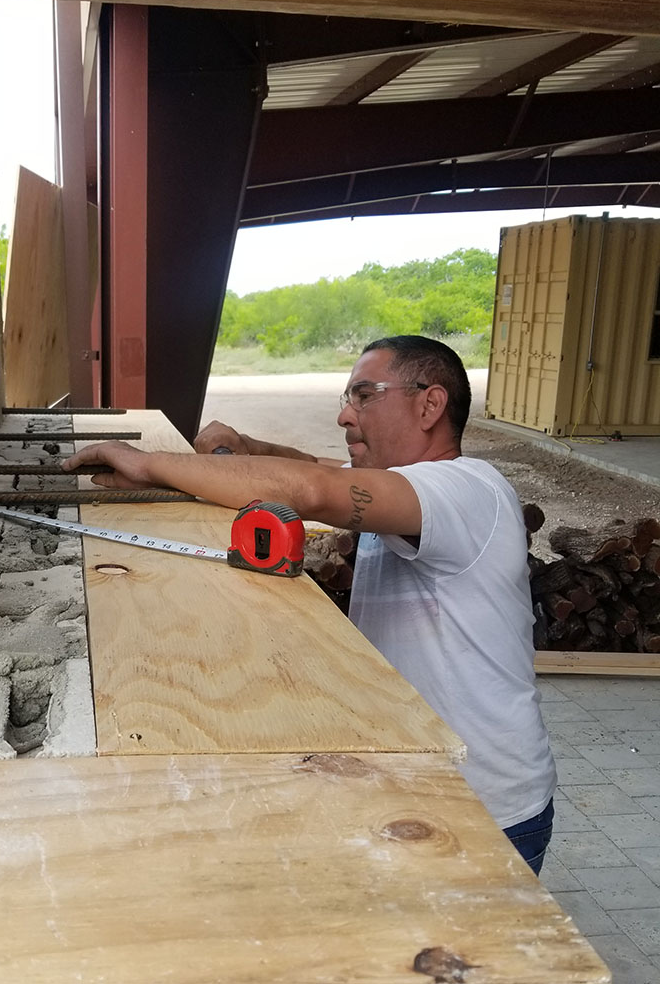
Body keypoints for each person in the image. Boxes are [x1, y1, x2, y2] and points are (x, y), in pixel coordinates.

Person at [61, 335, 557, 874]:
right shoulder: (403, 485)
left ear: (430, 405)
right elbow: (312, 466)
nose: (346, 415)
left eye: (364, 395)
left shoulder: (464, 488)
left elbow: (315, 489)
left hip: (486, 806)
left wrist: (146, 463)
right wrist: (243, 445)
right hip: (430, 786)